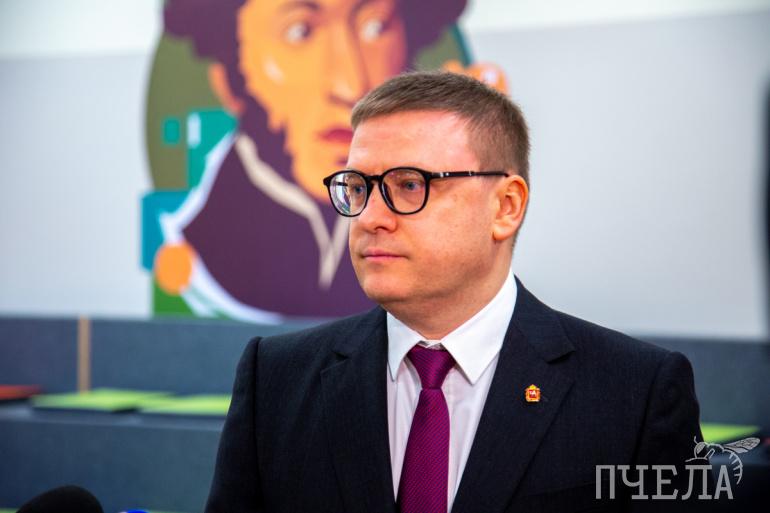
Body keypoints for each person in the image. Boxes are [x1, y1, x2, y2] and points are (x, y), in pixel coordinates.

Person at [205, 71, 707, 512]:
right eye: (357, 187)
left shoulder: (636, 394)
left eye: (409, 185)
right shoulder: (277, 379)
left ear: (505, 207)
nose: (371, 218)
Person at [153, 0, 468, 319]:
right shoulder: (205, 241)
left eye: (375, 27)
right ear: (228, 82)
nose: (350, 85)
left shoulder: (437, 238)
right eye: (300, 32)